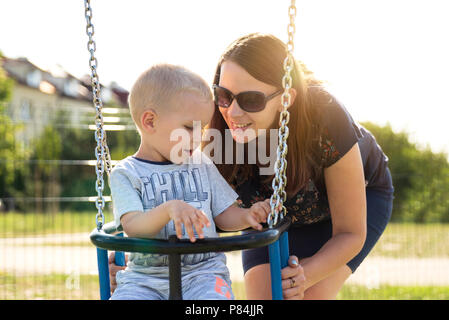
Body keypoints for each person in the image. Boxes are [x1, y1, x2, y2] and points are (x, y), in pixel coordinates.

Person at [206, 33, 394, 299]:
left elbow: (350, 233)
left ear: (286, 98)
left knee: (310, 294)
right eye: (224, 95)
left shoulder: (324, 117)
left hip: (350, 208)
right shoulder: (216, 133)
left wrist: (306, 275)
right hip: (270, 215)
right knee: (265, 298)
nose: (233, 112)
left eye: (251, 100)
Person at [108, 63, 287, 300]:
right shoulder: (126, 173)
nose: (198, 139)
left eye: (201, 129)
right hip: (144, 279)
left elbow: (223, 214)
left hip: (204, 274)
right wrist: (170, 209)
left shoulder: (201, 163)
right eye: (188, 129)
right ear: (150, 121)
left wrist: (247, 216)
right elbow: (133, 226)